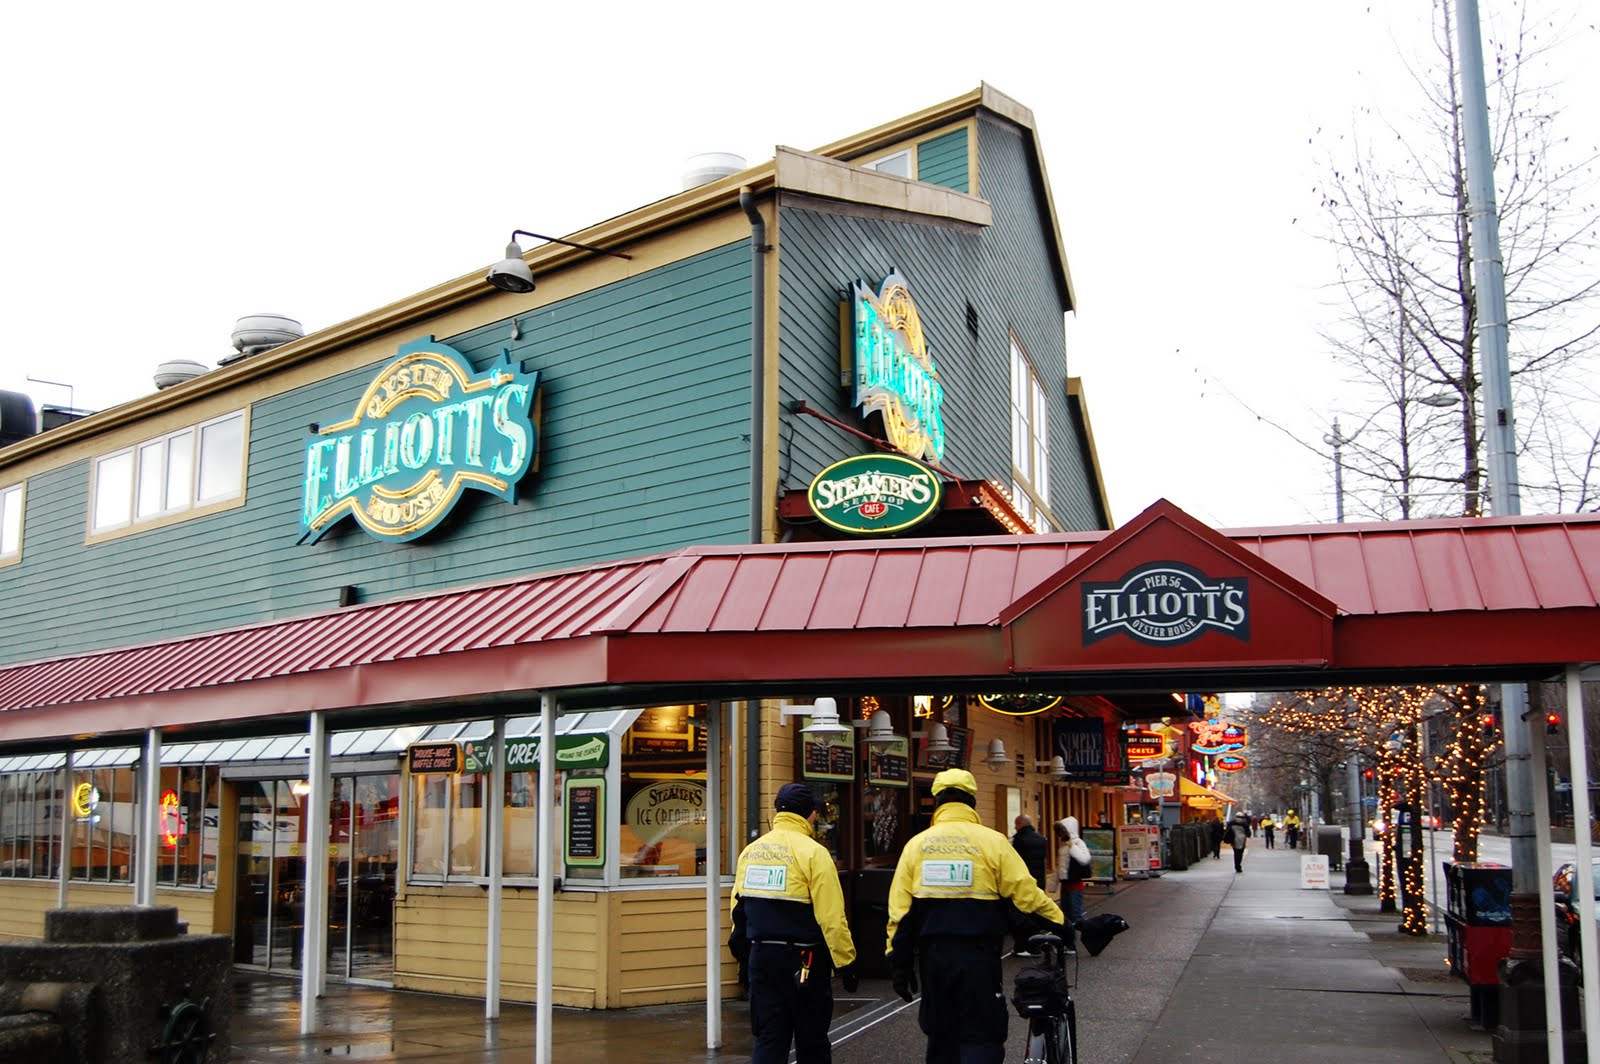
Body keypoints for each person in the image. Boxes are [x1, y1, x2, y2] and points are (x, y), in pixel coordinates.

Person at [886, 768, 1063, 1064]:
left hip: (934, 959)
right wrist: (1060, 922)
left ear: (938, 802)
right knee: (982, 1032)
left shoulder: (916, 846)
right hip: (980, 956)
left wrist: (898, 963)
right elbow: (1025, 892)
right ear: (972, 800)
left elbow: (899, 912)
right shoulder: (992, 842)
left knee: (941, 1036)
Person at [729, 783, 857, 1064]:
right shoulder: (814, 853)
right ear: (809, 814)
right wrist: (845, 962)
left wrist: (743, 960)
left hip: (762, 958)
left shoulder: (750, 852)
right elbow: (831, 917)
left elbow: (738, 912)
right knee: (811, 1041)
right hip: (805, 961)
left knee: (769, 1039)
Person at [1010, 814, 1049, 955]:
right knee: (1036, 913)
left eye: (1016, 824)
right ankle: (1036, 944)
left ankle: (1024, 946)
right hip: (1039, 880)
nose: (1015, 827)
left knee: (1022, 916)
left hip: (1024, 882)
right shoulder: (1041, 839)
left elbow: (1015, 861)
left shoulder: (1020, 840)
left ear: (1020, 824)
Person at [1056, 817, 1092, 954]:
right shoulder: (1063, 845)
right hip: (1066, 884)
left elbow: (1085, 859)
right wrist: (1054, 884)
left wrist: (1073, 848)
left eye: (1063, 829)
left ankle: (1092, 934)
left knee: (1076, 916)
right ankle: (1069, 944)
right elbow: (1061, 866)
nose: (1061, 832)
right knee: (1066, 916)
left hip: (1075, 884)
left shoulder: (1077, 843)